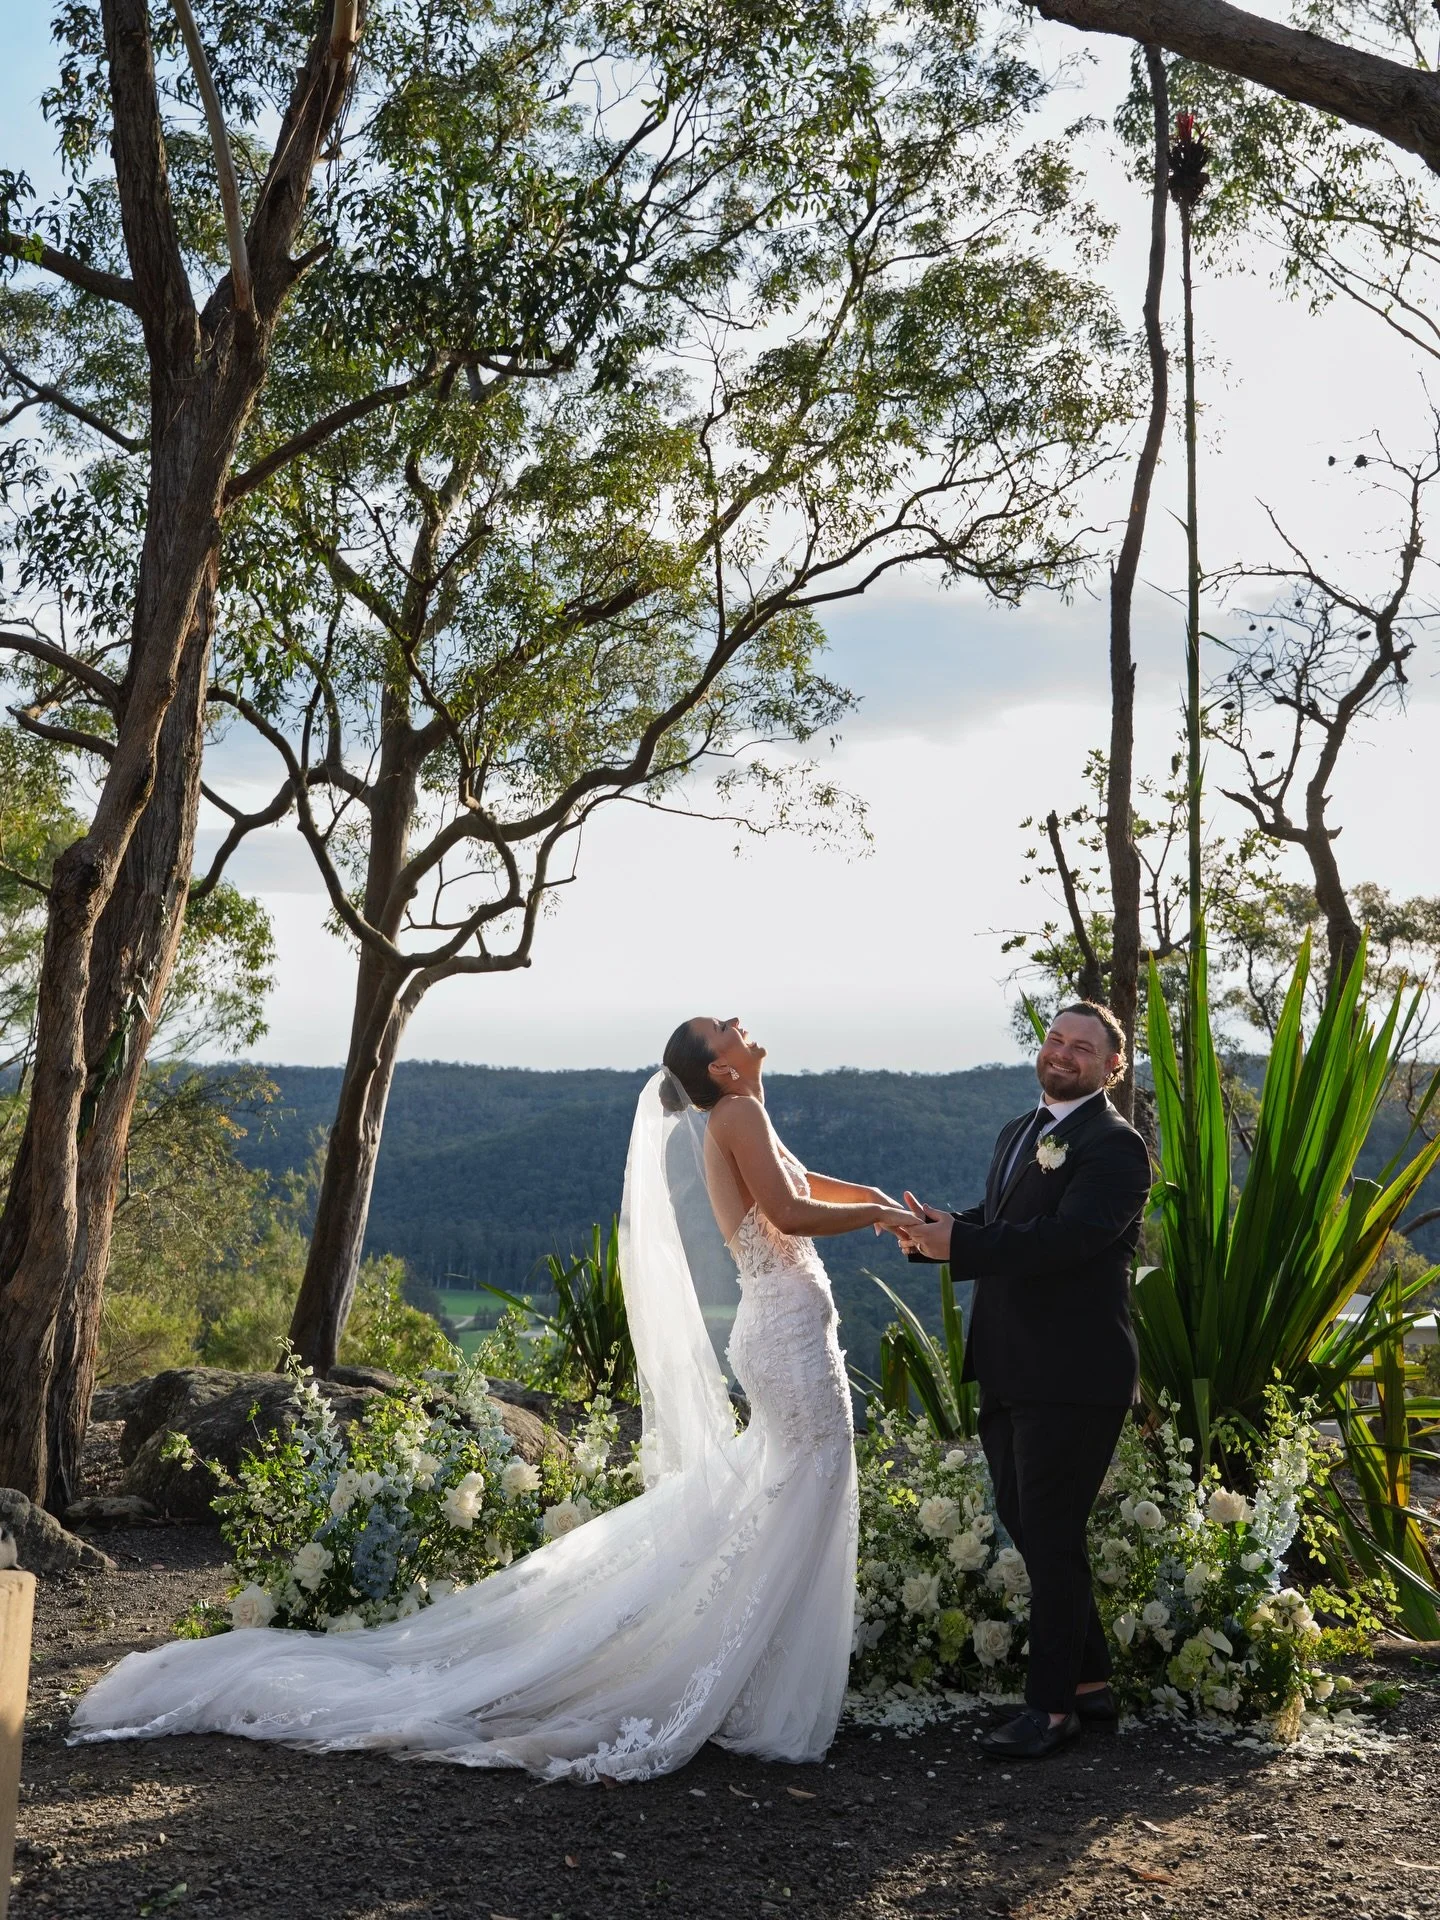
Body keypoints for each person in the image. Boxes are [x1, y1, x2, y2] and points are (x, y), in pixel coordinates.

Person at [71, 1017, 913, 1781]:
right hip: (787, 1333)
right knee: (805, 1486)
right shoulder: (738, 1115)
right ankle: (754, 1692)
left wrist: (873, 1202)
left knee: (791, 1491)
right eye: (722, 1028)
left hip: (780, 1327)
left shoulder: (739, 1112)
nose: (737, 1022)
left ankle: (756, 1678)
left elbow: (801, 1179)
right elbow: (789, 1209)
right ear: (721, 1071)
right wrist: (880, 1217)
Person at [892, 1003, 1152, 1761]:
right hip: (1008, 1365)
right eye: (1055, 1040)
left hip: (1075, 1373)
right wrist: (932, 1234)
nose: (1063, 1054)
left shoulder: (1117, 1146)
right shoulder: (1018, 1131)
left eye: (1083, 1048)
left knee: (1049, 1533)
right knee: (1033, 1524)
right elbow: (1001, 1217)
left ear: (1113, 1067)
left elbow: (1068, 1240)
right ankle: (1089, 1684)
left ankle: (1051, 1710)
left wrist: (963, 1243)